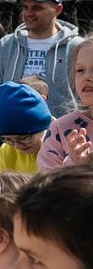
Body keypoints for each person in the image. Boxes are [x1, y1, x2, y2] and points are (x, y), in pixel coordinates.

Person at [0, 0, 81, 143]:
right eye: (25, 7)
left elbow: (83, 97)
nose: (29, 13)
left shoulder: (76, 46)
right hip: (14, 140)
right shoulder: (6, 45)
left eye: (37, 8)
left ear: (57, 10)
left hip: (62, 141)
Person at [37, 38, 93, 170]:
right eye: (80, 70)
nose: (87, 76)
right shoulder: (61, 128)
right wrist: (74, 163)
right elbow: (46, 184)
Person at [0, 82, 51, 175]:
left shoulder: (64, 145)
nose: (17, 147)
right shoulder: (7, 150)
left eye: (24, 138)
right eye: (8, 139)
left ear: (44, 126)